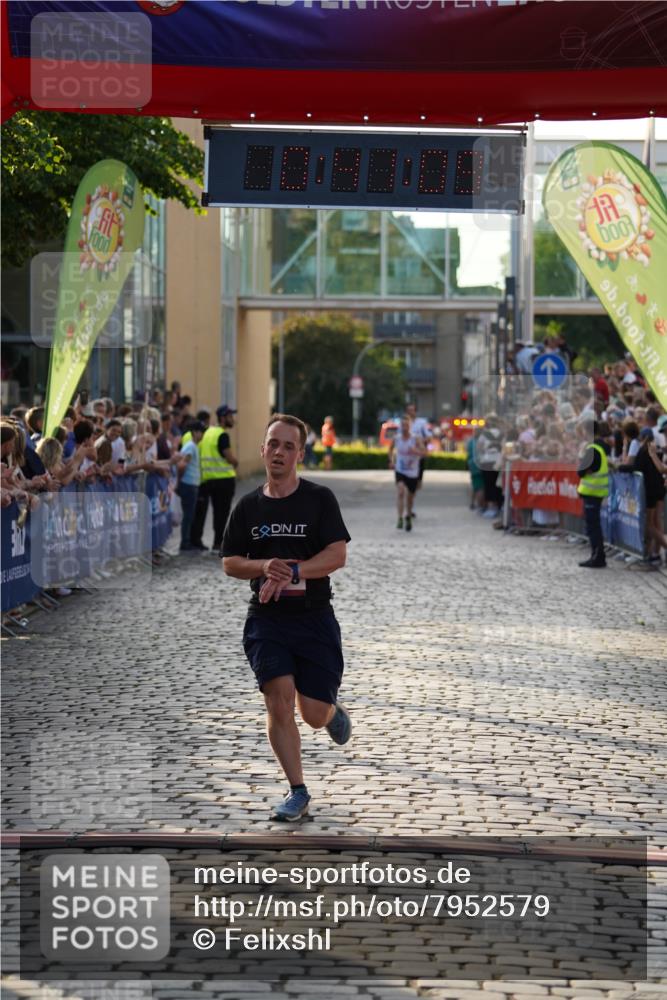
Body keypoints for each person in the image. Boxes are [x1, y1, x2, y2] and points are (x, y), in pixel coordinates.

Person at [222, 413, 351, 822]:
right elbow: (229, 562)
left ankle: (331, 713)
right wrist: (264, 567)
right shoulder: (248, 507)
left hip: (314, 618)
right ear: (262, 450)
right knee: (279, 704)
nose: (279, 452)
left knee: (312, 714)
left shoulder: (319, 499)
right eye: (273, 444)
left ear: (300, 454)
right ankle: (297, 790)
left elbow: (337, 555)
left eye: (288, 446)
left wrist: (294, 570)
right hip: (267, 620)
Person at [192, 404, 238, 552]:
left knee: (204, 513)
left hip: (207, 480)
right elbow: (229, 456)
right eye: (230, 416)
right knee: (221, 514)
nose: (233, 419)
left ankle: (198, 540)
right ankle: (218, 543)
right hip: (223, 480)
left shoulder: (208, 432)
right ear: (223, 418)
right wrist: (235, 462)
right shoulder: (222, 435)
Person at [576, 420, 609, 569]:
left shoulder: (593, 449)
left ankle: (598, 556)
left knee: (593, 527)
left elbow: (582, 471)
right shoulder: (599, 447)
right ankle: (596, 555)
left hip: (593, 493)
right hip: (596, 492)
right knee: (594, 526)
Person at [388, 413, 425, 532]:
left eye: (406, 425)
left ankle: (408, 515)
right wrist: (391, 461)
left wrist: (416, 451)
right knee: (400, 491)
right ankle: (399, 518)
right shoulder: (397, 438)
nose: (404, 427)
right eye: (402, 425)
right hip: (400, 470)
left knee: (410, 498)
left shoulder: (416, 438)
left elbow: (425, 453)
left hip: (413, 473)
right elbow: (390, 449)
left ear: (410, 426)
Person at [176, 419, 205, 553]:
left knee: (190, 514)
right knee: (188, 515)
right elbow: (182, 465)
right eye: (201, 432)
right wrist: (179, 481)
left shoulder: (192, 446)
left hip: (191, 484)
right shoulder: (190, 446)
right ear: (194, 432)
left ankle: (187, 541)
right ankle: (185, 543)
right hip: (188, 484)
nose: (203, 435)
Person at [405, 402, 430, 510]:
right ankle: (410, 506)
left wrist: (419, 442)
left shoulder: (421, 423)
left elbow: (428, 437)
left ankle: (411, 501)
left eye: (413, 410)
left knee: (417, 483)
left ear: (416, 411)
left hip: (418, 456)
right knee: (406, 481)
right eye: (409, 410)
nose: (411, 412)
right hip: (406, 457)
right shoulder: (404, 423)